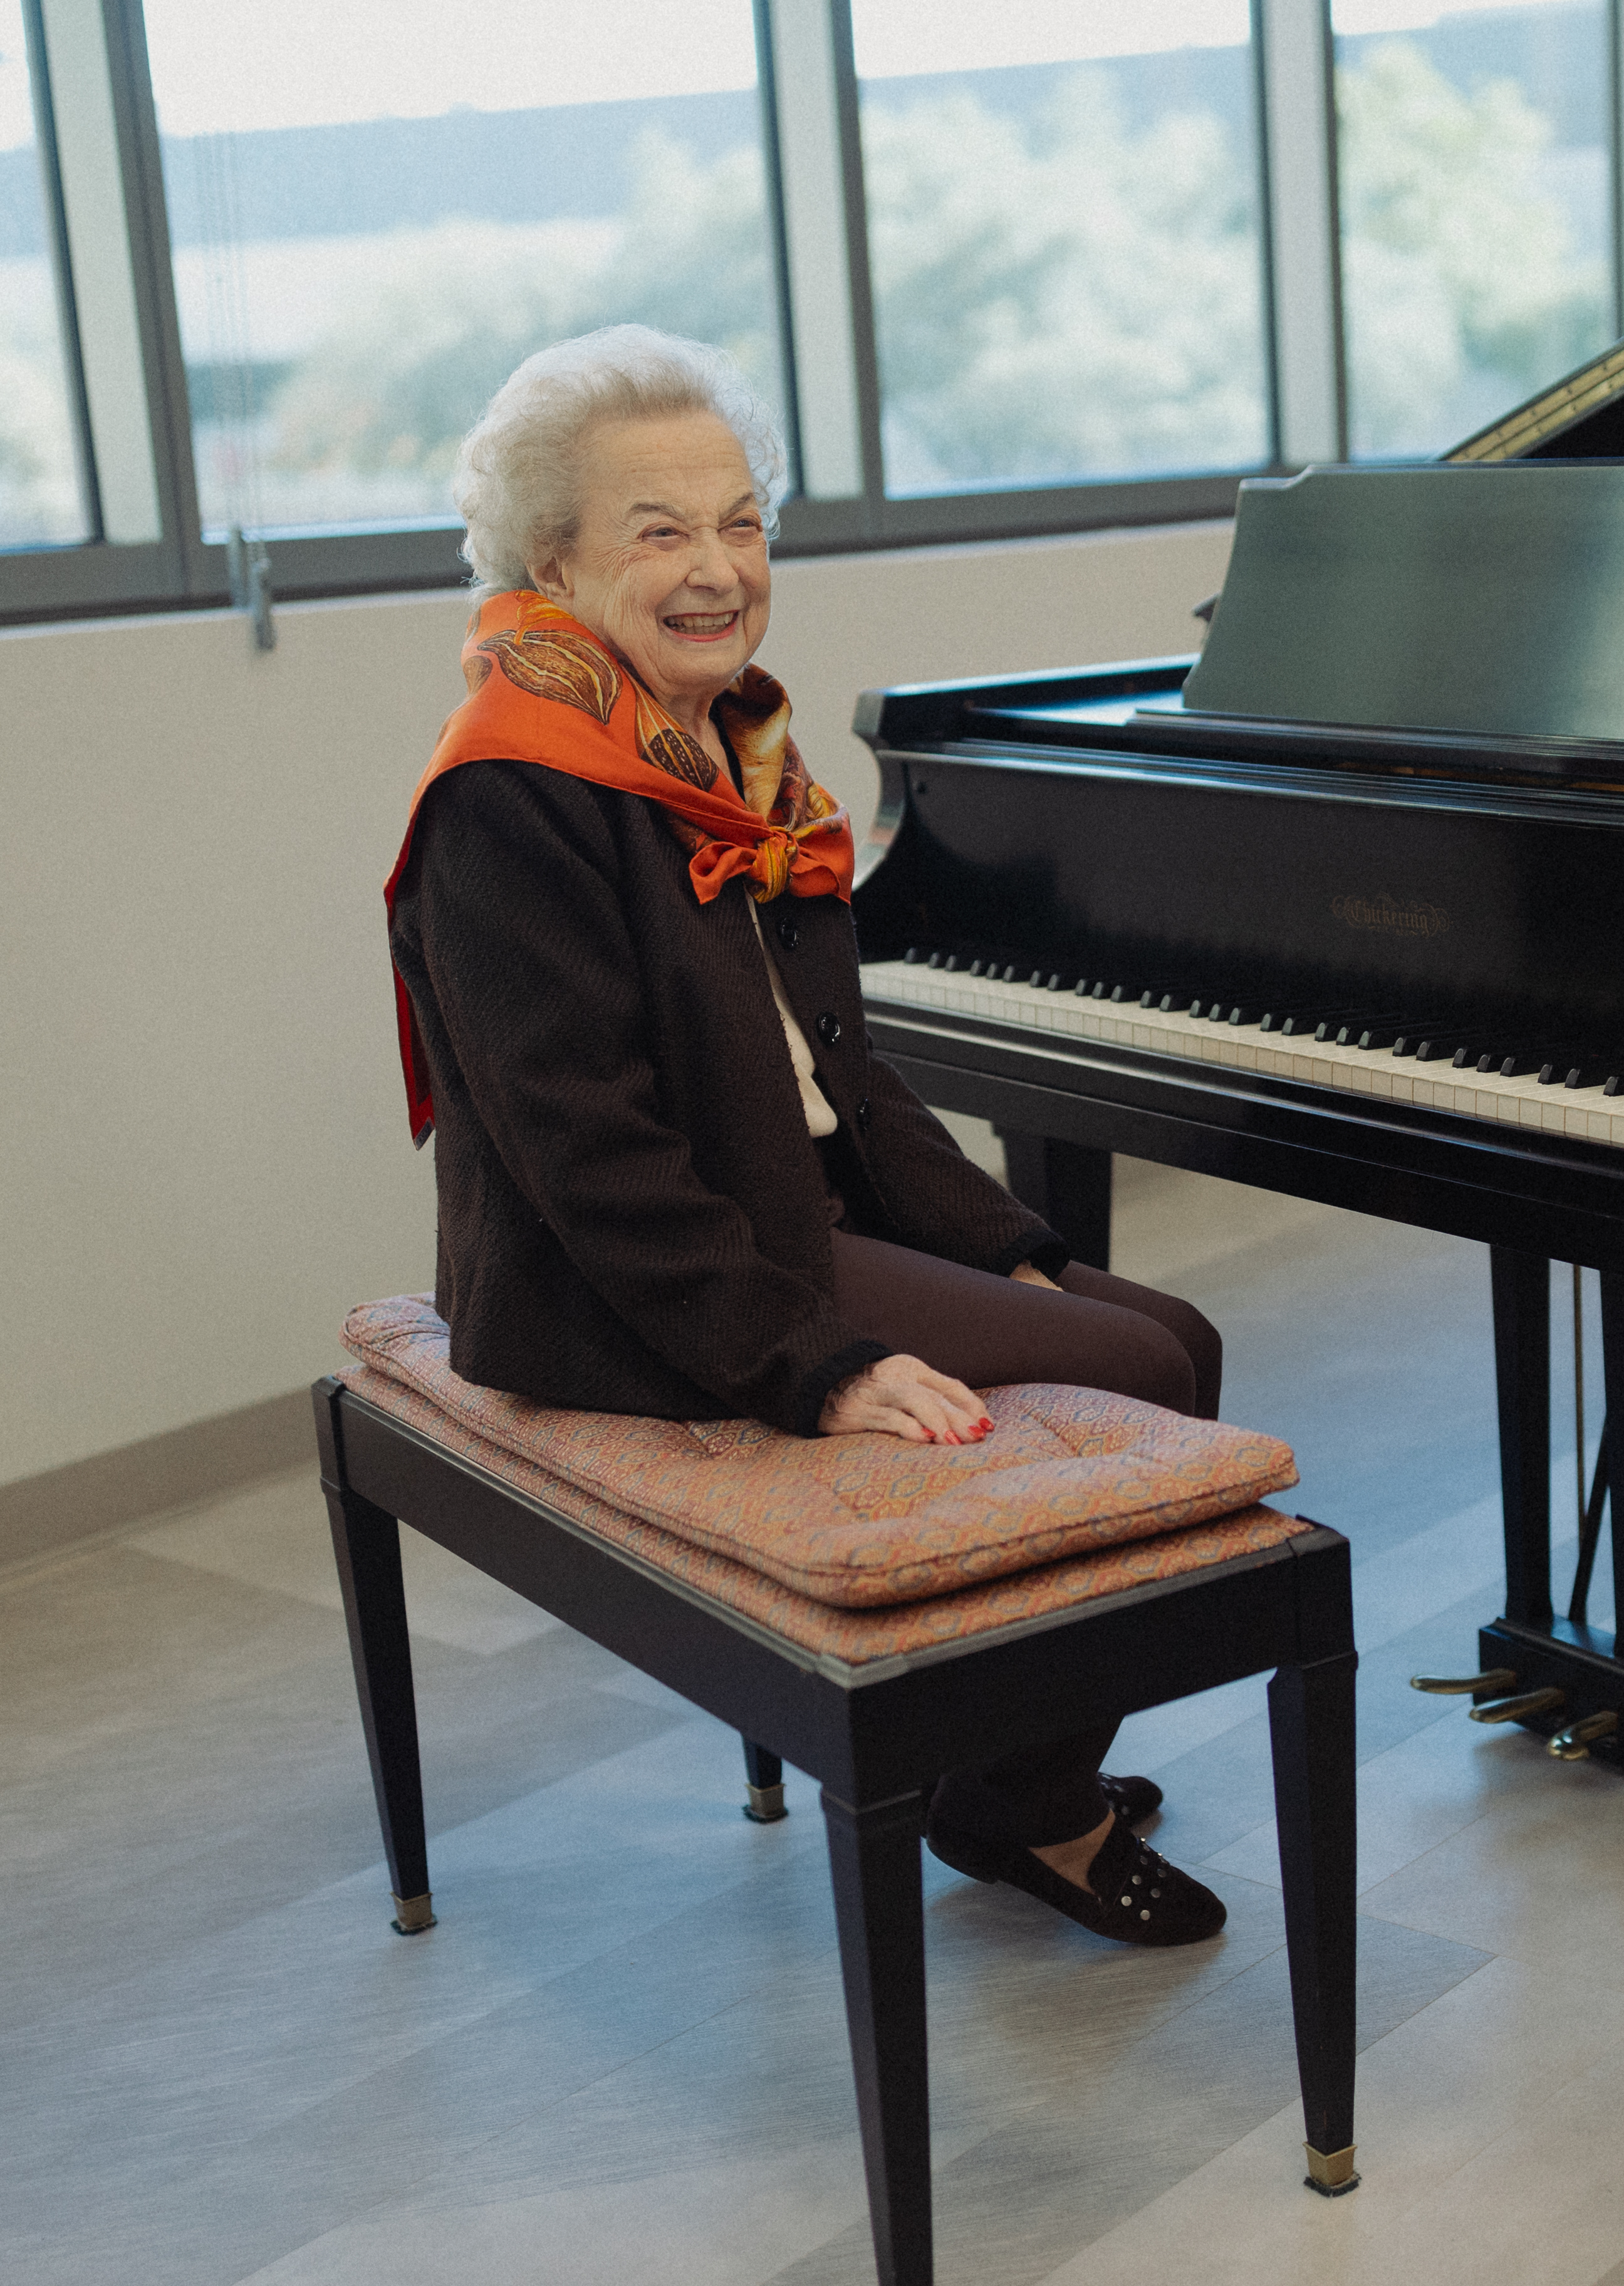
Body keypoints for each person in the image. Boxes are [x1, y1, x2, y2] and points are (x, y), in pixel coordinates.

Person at [383, 325, 1224, 1946]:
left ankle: (1014, 1732)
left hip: (780, 1203)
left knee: (1134, 1316)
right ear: (549, 562)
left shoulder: (728, 752)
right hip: (629, 1281)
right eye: (661, 533)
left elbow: (848, 1078)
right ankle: (1023, 1804)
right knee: (1160, 1365)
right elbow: (592, 1165)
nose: (720, 570)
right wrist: (813, 1363)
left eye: (744, 523)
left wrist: (1013, 1250)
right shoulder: (511, 792)